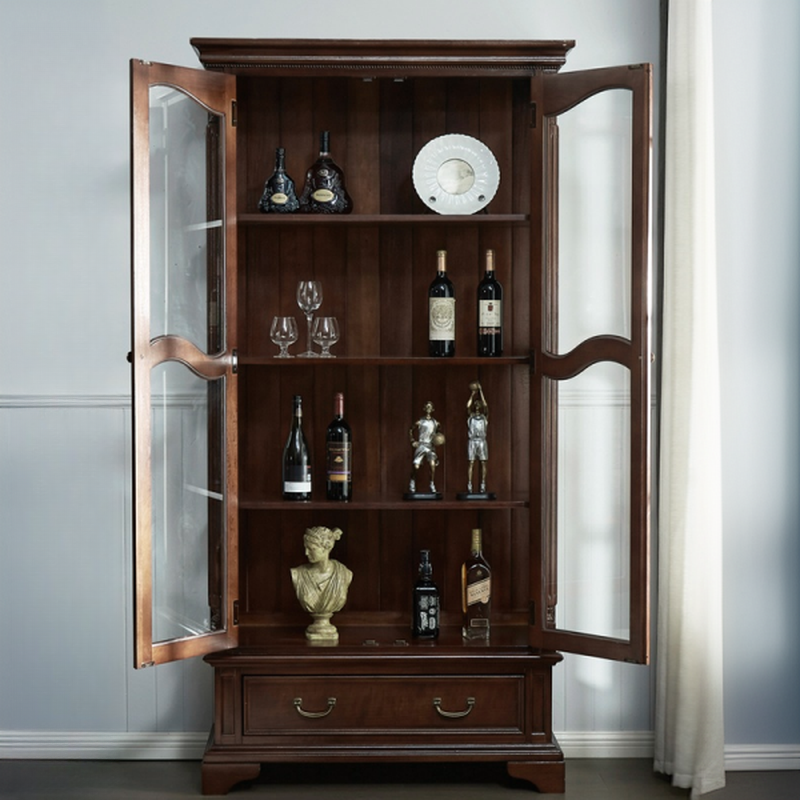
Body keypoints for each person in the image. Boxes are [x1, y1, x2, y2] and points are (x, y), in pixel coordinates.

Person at [291, 526, 352, 641]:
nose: (306, 553)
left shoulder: (344, 574)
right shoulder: (297, 574)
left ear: (326, 547)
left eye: (311, 549)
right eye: (305, 548)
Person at [408, 401, 444, 494]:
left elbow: (438, 433)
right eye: (427, 406)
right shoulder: (420, 422)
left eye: (430, 407)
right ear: (424, 408)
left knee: (432, 465)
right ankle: (412, 481)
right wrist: (412, 441)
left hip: (430, 446)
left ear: (433, 409)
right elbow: (410, 430)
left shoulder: (436, 423)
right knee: (416, 466)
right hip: (421, 445)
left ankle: (432, 484)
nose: (428, 408)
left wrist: (438, 440)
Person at [466, 381, 489, 493]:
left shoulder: (484, 417)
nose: (477, 406)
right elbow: (467, 406)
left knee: (483, 462)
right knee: (471, 463)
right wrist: (472, 394)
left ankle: (483, 484)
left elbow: (485, 405)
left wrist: (481, 391)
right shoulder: (471, 417)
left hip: (482, 441)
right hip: (472, 441)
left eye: (478, 405)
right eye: (476, 405)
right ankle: (469, 484)